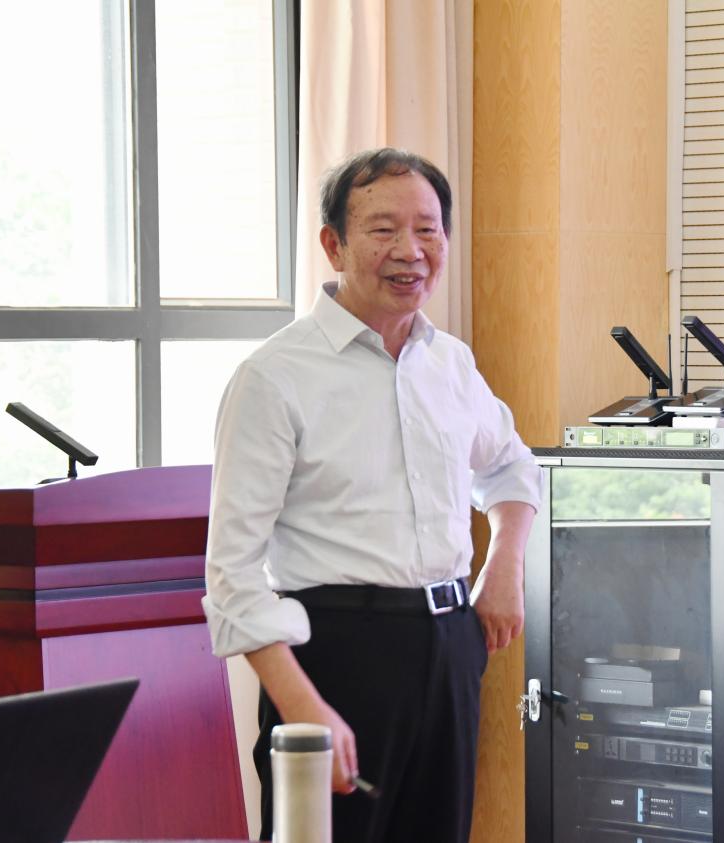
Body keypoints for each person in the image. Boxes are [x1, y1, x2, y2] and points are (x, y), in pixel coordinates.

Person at [202, 147, 540, 843]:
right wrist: (303, 706)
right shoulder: (274, 376)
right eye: (383, 230)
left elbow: (511, 468)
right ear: (333, 245)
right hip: (335, 654)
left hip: (451, 647)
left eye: (427, 229)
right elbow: (231, 576)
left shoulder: (449, 362)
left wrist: (504, 563)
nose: (410, 251)